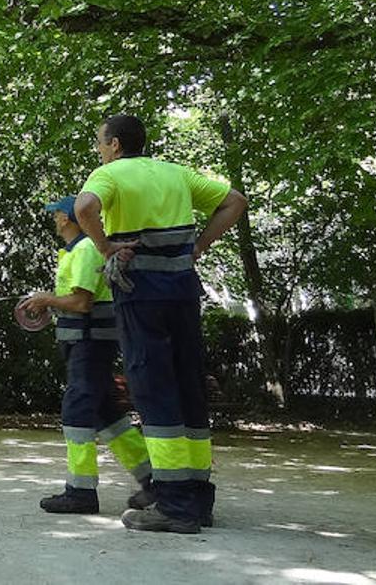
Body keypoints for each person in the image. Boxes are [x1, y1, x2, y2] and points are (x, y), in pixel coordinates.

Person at [74, 114, 248, 534]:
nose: (100, 149)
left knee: (153, 387)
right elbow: (235, 202)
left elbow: (84, 207)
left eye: (101, 142)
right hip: (183, 293)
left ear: (114, 144)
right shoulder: (176, 174)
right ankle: (197, 497)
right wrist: (200, 245)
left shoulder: (109, 174)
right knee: (189, 385)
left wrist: (105, 246)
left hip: (140, 296)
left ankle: (173, 504)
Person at [21, 196, 154, 515]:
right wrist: (46, 301)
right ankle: (153, 480)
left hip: (89, 343)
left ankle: (80, 491)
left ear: (67, 219)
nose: (54, 219)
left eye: (57, 215)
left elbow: (81, 303)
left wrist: (46, 300)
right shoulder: (75, 250)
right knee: (107, 415)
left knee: (77, 407)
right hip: (85, 342)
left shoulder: (83, 250)